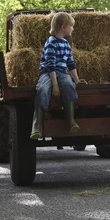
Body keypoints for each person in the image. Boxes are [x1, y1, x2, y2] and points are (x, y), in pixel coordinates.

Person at [30, 12, 86, 140]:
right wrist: (55, 85)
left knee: (68, 84)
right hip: (48, 73)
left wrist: (77, 80)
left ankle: (71, 121)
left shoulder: (66, 44)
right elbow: (50, 65)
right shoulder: (51, 42)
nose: (72, 28)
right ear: (63, 27)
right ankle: (36, 126)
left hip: (62, 73)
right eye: (71, 26)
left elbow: (70, 64)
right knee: (42, 90)